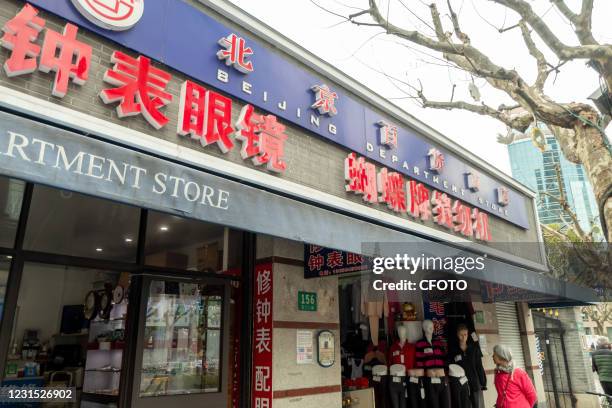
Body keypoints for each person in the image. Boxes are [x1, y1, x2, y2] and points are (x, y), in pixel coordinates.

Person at [448, 324, 486, 408]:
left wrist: (483, 382)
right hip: (461, 384)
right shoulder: (453, 351)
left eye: (465, 334)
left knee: (477, 405)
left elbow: (479, 366)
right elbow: (450, 367)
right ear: (457, 335)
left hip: (474, 383)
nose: (463, 337)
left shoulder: (473, 349)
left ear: (468, 334)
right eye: (461, 335)